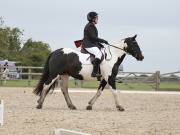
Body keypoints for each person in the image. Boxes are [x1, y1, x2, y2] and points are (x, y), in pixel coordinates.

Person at [82, 11, 109, 77]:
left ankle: (99, 70)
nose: (98, 19)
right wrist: (103, 40)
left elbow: (93, 39)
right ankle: (94, 73)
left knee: (102, 50)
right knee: (98, 53)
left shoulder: (92, 25)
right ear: (93, 19)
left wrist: (100, 44)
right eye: (96, 18)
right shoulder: (90, 26)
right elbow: (93, 37)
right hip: (88, 45)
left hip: (91, 43)